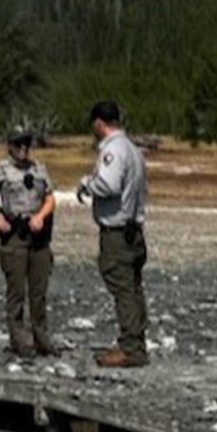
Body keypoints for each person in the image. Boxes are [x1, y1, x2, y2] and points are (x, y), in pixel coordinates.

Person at [77, 99, 148, 368]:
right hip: (134, 229)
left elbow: (108, 184)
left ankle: (131, 348)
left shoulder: (113, 151)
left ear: (98, 122)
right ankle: (136, 340)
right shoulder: (132, 148)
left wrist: (86, 184)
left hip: (118, 232)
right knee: (133, 287)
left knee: (123, 288)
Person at [0, 131, 57, 358]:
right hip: (15, 234)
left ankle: (42, 338)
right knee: (16, 292)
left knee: (39, 291)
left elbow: (50, 198)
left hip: (39, 236)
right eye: (18, 143)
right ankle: (19, 340)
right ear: (9, 146)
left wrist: (41, 215)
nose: (23, 148)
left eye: (26, 143)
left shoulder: (39, 169)